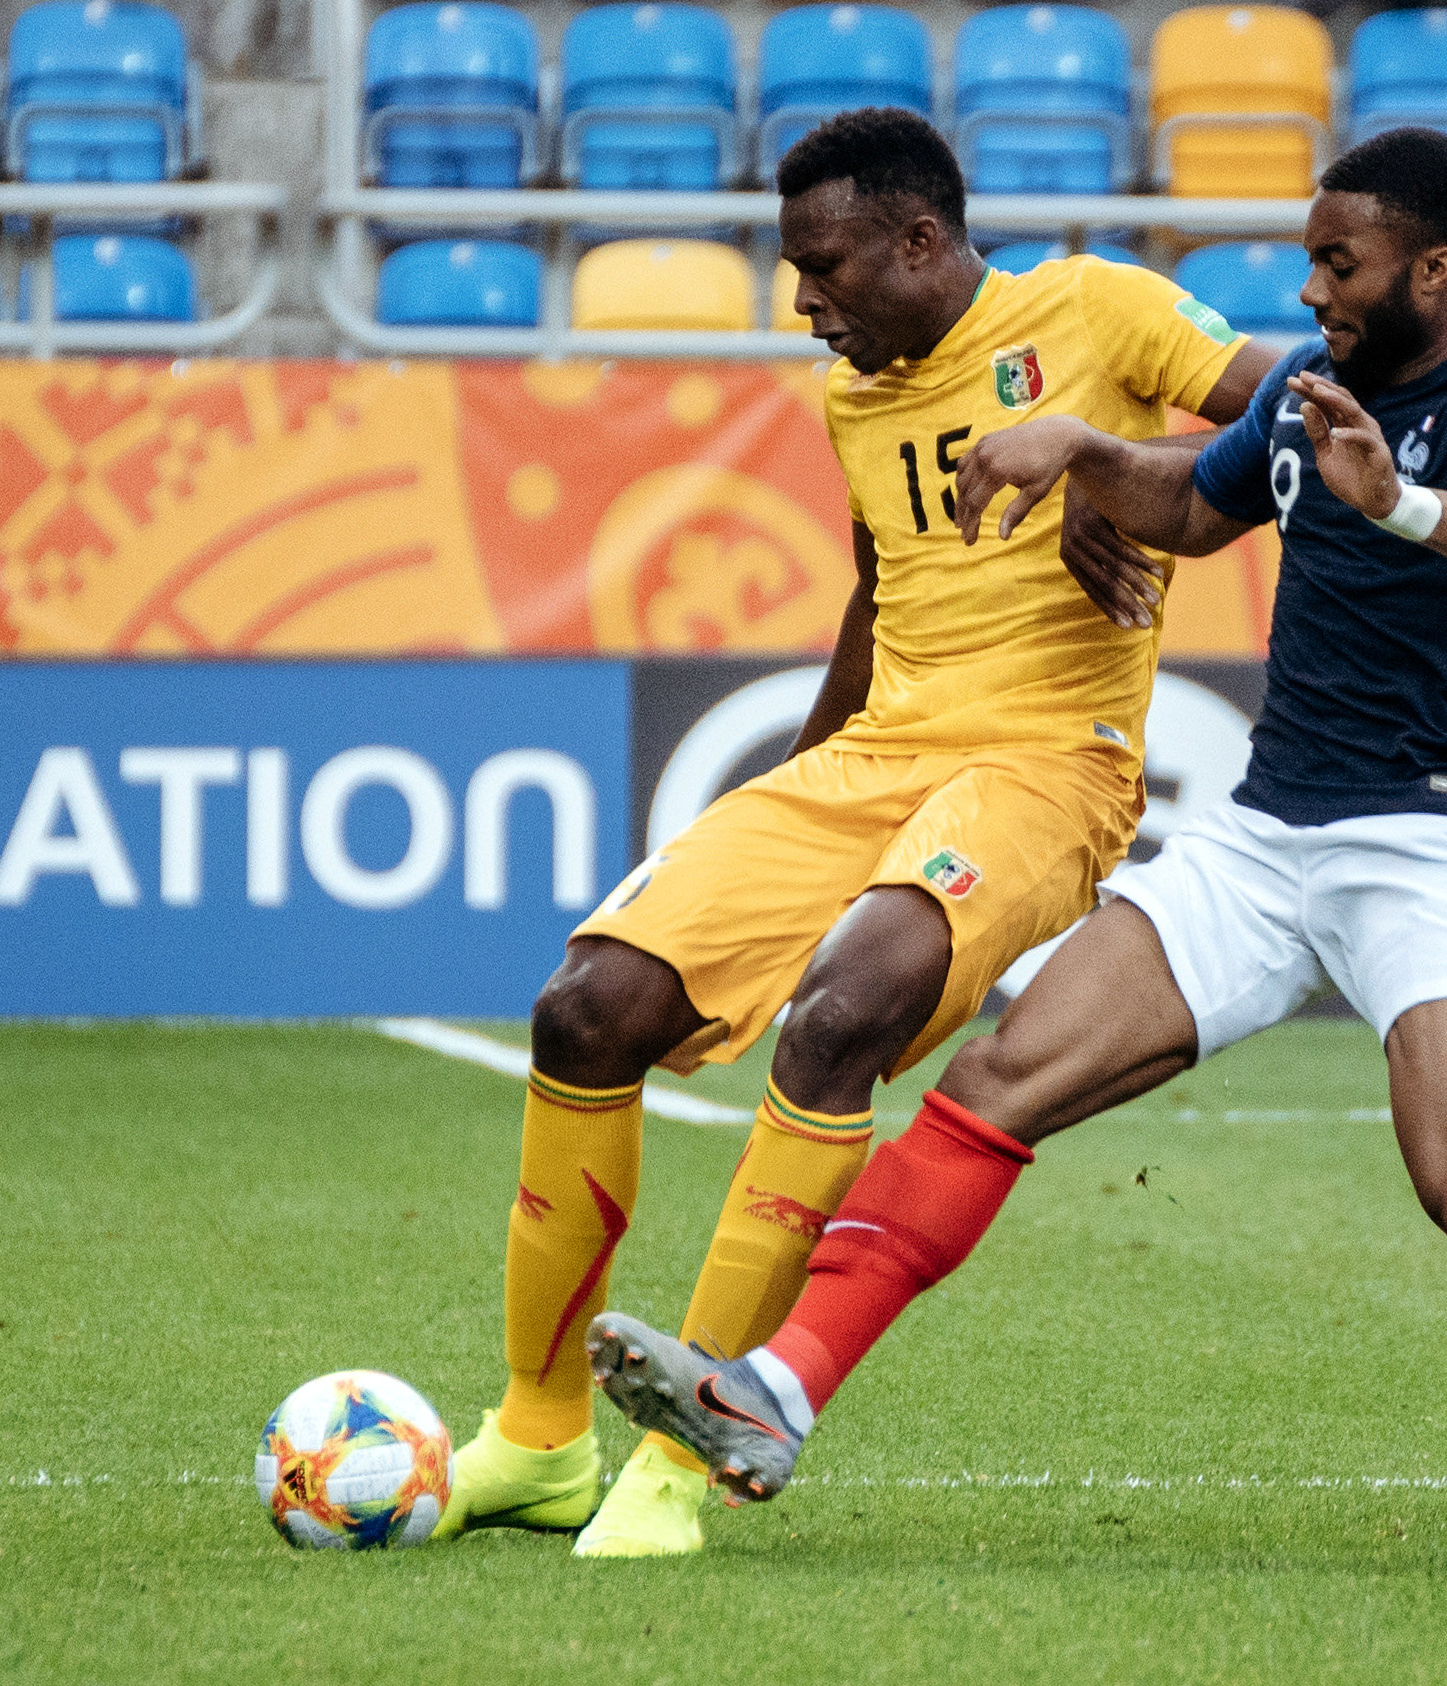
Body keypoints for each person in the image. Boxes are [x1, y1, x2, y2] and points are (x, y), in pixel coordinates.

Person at [586, 126, 1447, 1559]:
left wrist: (1393, 501)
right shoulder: (1300, 389)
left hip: (1429, 837)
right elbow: (1195, 509)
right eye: (1307, 262)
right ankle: (774, 1394)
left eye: (1340, 264)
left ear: (1436, 269)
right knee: (998, 1079)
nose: (1313, 291)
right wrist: (1086, 454)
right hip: (1266, 834)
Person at [432, 107, 1274, 1558]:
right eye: (789, 270)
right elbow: (879, 589)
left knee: (842, 1012)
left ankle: (680, 1461)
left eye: (820, 268)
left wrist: (1119, 468)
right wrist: (797, 792)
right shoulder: (854, 397)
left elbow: (1315, 402)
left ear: (919, 241)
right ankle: (539, 1431)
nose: (802, 302)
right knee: (585, 1006)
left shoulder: (1093, 307)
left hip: (1049, 769)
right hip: (877, 754)